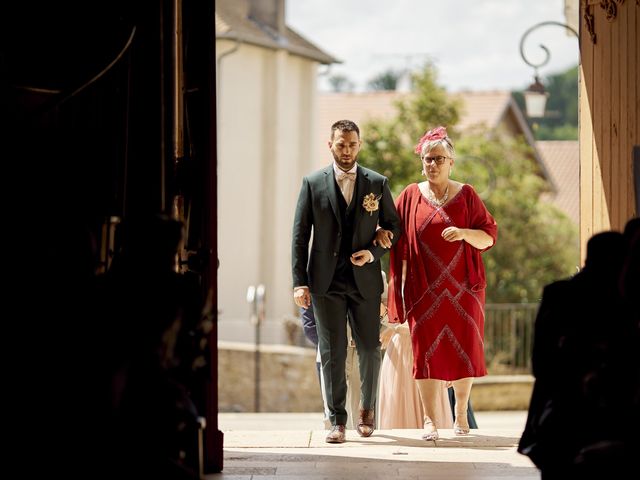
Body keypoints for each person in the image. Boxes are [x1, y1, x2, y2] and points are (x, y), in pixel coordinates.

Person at [292, 119, 402, 444]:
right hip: (325, 281)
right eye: (341, 144)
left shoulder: (377, 183)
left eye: (352, 144)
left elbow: (394, 228)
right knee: (332, 350)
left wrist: (372, 252)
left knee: (369, 348)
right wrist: (299, 282)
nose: (347, 150)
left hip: (365, 280)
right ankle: (337, 420)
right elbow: (299, 237)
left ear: (360, 144)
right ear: (331, 145)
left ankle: (367, 412)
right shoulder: (312, 184)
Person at [386, 126, 497, 442]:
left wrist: (464, 233)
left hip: (464, 290)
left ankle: (461, 414)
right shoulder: (410, 195)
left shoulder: (467, 195)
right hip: (424, 291)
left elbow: (488, 236)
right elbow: (391, 234)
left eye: (438, 159)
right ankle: (430, 420)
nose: (432, 164)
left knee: (465, 351)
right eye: (427, 159)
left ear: (451, 162)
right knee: (425, 355)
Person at [518, 230, 634, 477]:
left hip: (557, 416)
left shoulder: (557, 294)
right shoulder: (622, 302)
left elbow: (540, 361)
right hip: (600, 416)